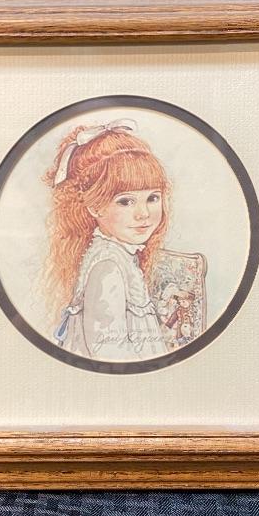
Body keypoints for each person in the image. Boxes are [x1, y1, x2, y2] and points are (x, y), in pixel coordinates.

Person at [43, 118, 170, 361]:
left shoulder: (121, 255)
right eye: (126, 201)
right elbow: (107, 352)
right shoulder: (108, 267)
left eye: (152, 198)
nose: (143, 213)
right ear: (94, 207)